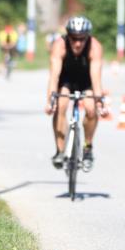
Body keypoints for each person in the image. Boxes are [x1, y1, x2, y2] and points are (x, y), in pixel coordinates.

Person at [46, 16, 105, 172]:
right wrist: (50, 101)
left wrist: (99, 101)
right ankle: (59, 150)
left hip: (86, 81)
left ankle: (87, 148)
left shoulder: (95, 46)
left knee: (91, 109)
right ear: (68, 36)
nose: (78, 43)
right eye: (73, 38)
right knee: (61, 106)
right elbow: (54, 76)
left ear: (87, 37)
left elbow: (96, 78)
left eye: (82, 39)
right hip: (66, 80)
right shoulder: (59, 45)